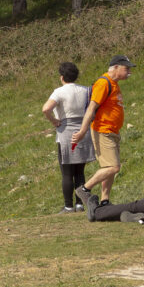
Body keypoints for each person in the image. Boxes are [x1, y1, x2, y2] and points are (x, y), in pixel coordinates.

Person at [72, 55, 135, 210]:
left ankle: (105, 200)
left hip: (112, 131)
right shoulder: (103, 83)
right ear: (115, 67)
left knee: (109, 168)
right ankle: (84, 189)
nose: (129, 72)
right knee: (113, 167)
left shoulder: (114, 84)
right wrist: (82, 131)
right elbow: (91, 108)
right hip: (103, 130)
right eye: (126, 68)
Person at [42, 62, 96, 212]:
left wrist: (53, 121)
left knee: (67, 172)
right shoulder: (86, 90)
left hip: (66, 132)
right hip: (83, 131)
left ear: (62, 77)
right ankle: (80, 204)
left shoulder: (59, 92)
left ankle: (68, 206)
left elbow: (46, 108)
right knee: (79, 171)